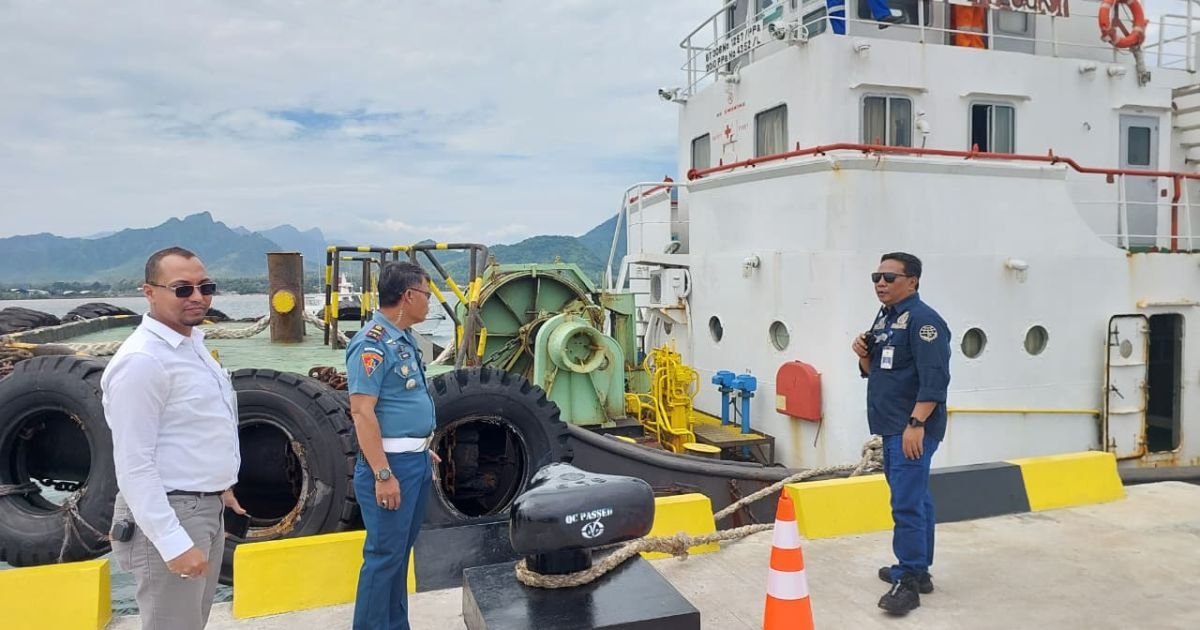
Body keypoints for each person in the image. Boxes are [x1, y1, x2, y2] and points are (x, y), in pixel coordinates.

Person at [102, 247, 245, 630]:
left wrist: (222, 485)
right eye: (182, 289)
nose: (197, 297)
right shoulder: (143, 362)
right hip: (171, 512)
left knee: (190, 623)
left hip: (205, 506)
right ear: (149, 292)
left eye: (205, 287)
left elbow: (195, 428)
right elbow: (133, 464)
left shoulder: (191, 346)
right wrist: (171, 540)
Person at [850, 252, 951, 615]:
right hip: (892, 424)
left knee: (906, 504)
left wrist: (916, 425)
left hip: (911, 428)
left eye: (890, 278)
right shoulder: (887, 317)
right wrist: (862, 355)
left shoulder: (925, 322)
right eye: (877, 276)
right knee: (917, 497)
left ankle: (908, 580)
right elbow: (878, 367)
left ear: (913, 281)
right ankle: (919, 570)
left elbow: (935, 379)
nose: (881, 283)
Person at [346, 261, 440, 630]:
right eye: (427, 296)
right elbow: (362, 412)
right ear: (408, 296)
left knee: (399, 556)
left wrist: (419, 446)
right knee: (384, 556)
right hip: (390, 467)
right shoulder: (372, 343)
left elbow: (399, 405)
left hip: (413, 461)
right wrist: (383, 473)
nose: (429, 304)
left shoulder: (402, 339)